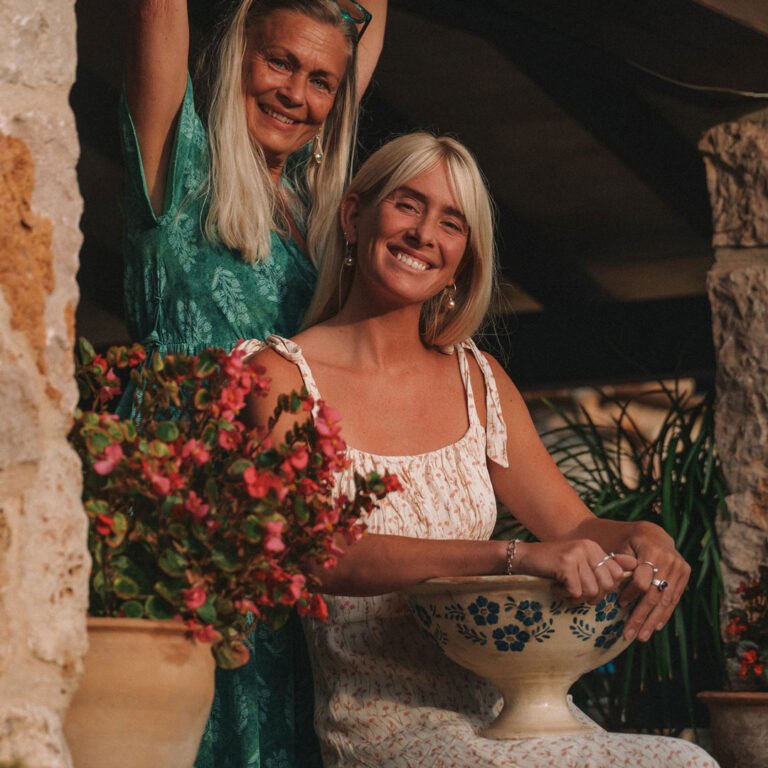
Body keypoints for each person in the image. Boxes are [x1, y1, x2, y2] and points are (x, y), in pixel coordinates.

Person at [241, 133, 719, 767]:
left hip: (520, 714)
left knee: (687, 762)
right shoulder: (279, 376)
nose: (423, 234)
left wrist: (644, 535)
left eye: (452, 223)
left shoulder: (479, 380)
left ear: (463, 258)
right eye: (408, 205)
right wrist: (509, 556)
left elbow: (575, 526)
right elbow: (315, 550)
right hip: (385, 725)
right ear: (354, 216)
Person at [121, 1, 386, 765]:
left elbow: (361, 36)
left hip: (284, 543)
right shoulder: (179, 160)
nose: (295, 94)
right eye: (278, 62)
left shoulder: (316, 213)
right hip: (179, 526)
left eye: (321, 81)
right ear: (236, 53)